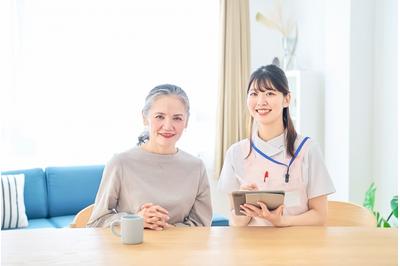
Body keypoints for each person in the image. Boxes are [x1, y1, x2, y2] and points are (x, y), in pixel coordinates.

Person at [218, 64, 335, 227]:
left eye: (270, 93)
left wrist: (282, 221)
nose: (261, 101)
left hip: (297, 245)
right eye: (254, 94)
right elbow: (235, 222)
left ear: (287, 99)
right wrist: (244, 206)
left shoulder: (307, 149)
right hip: (251, 246)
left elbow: (320, 216)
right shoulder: (235, 153)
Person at [88, 84, 212, 229]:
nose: (168, 126)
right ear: (145, 118)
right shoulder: (120, 163)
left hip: (180, 250)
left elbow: (202, 225)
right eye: (159, 117)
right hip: (132, 249)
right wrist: (134, 220)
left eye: (177, 118)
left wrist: (167, 230)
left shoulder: (196, 167)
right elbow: (95, 223)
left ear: (186, 122)